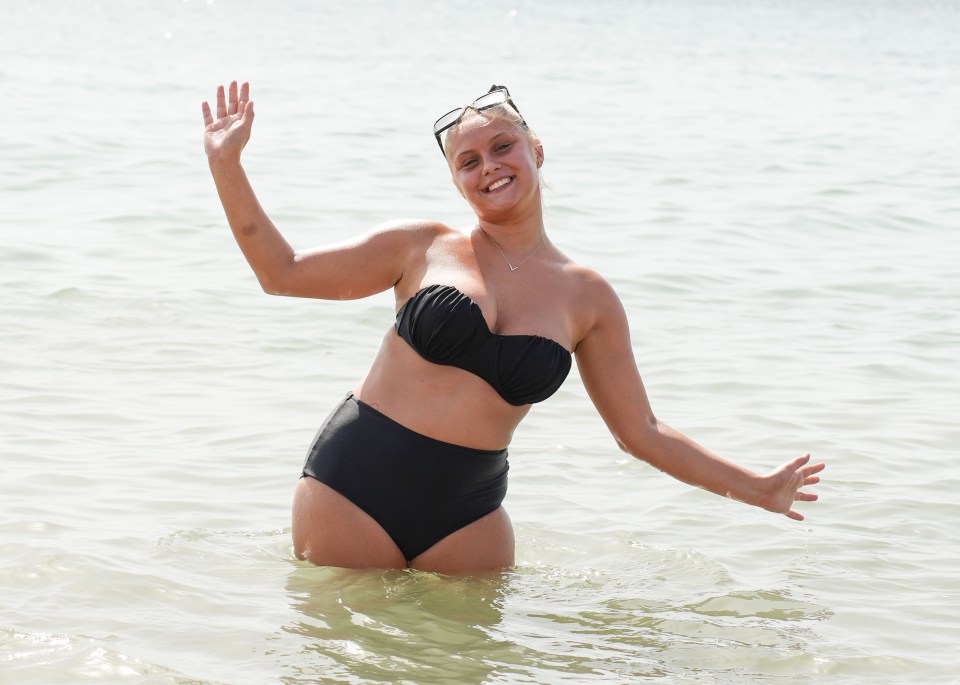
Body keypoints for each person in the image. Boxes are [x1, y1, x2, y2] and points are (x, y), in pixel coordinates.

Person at [201, 81, 824, 575]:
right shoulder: (421, 247)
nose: (489, 167)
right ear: (455, 180)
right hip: (355, 484)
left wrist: (758, 489)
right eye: (468, 161)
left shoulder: (588, 296)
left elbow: (641, 431)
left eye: (503, 147)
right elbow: (281, 273)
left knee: (464, 668)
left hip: (468, 514)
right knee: (342, 667)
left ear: (536, 151)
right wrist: (226, 164)